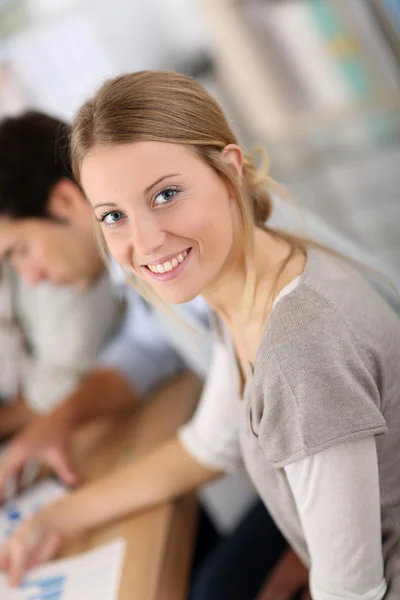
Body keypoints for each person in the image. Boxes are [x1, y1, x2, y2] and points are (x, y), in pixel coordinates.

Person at [1, 80, 399, 599]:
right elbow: (211, 442)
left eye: (166, 195)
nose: (143, 242)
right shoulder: (243, 284)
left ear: (229, 170)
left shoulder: (297, 349)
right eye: (114, 217)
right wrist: (53, 521)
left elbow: (351, 593)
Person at [0, 112, 120, 442]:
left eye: (20, 250)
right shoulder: (130, 278)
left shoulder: (166, 261)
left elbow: (215, 440)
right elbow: (147, 349)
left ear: (66, 202)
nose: (32, 277)